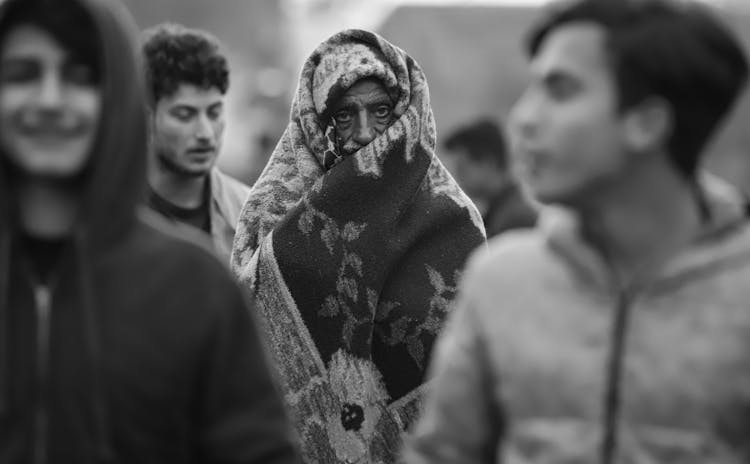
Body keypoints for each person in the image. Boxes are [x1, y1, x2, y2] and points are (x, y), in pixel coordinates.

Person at [404, 0, 750, 462]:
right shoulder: (502, 280)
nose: (523, 119)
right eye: (532, 88)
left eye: (560, 90)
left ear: (647, 123)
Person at [0, 0, 300, 462]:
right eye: (23, 74)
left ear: (115, 99)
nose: (50, 99)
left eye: (80, 77)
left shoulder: (198, 288)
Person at [231, 29, 486, 463]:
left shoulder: (452, 219)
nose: (365, 132)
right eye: (345, 115)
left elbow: (479, 363)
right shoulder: (273, 209)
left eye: (381, 111)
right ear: (318, 121)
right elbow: (244, 348)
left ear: (407, 113)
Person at [142, 23, 250, 265]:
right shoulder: (101, 209)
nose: (205, 134)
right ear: (146, 116)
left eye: (213, 113)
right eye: (184, 115)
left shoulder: (251, 215)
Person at [443, 118, 537, 237]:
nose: (456, 178)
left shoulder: (515, 219)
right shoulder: (502, 211)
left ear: (489, 162)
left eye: (462, 168)